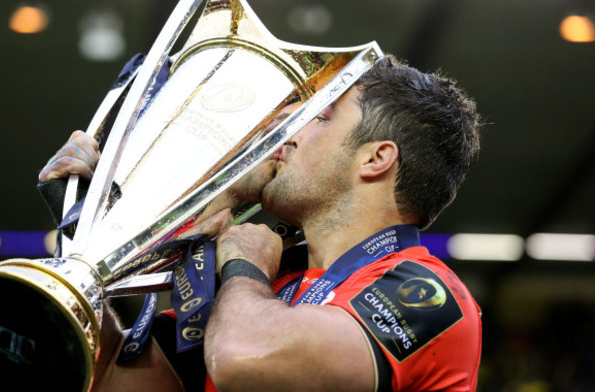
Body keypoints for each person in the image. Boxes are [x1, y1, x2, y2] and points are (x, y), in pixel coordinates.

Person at [38, 55, 482, 392]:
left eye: (320, 119)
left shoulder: (429, 295)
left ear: (375, 159)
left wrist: (243, 268)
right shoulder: (271, 283)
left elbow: (245, 358)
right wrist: (86, 244)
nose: (287, 133)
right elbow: (115, 374)